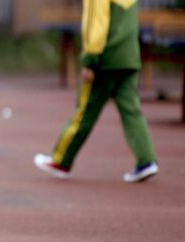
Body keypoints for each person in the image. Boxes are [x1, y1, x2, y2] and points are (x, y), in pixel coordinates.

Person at [34, 0, 158, 182]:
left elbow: (96, 23)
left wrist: (90, 59)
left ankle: (61, 160)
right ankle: (146, 160)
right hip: (129, 57)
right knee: (132, 112)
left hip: (105, 60)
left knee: (84, 111)